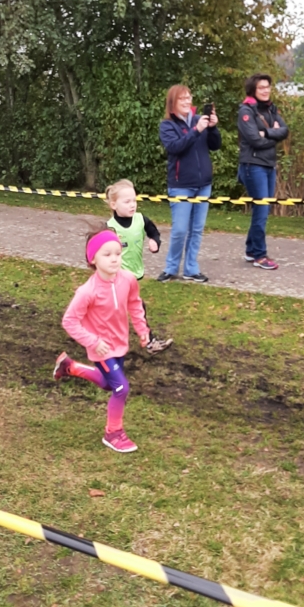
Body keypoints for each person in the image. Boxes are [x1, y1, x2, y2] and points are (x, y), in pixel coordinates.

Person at [54, 228, 150, 453]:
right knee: (121, 388)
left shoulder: (127, 279)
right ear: (93, 259)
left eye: (117, 253)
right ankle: (113, 433)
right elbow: (69, 321)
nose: (114, 258)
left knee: (109, 384)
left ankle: (71, 367)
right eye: (107, 254)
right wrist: (93, 342)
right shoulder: (87, 291)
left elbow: (135, 303)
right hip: (101, 349)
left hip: (120, 345)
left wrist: (142, 329)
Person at [157, 85, 220, 283]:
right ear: (173, 103)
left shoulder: (199, 119)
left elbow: (215, 145)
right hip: (181, 184)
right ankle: (171, 268)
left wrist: (212, 128)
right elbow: (175, 147)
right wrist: (196, 131)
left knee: (197, 229)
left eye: (188, 97)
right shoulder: (167, 125)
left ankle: (191, 269)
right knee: (180, 230)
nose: (186, 102)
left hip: (203, 184)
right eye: (181, 99)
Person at [105, 179, 173, 354]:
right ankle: (147, 341)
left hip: (134, 274)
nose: (132, 205)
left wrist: (155, 242)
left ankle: (101, 335)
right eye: (127, 201)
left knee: (130, 307)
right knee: (134, 306)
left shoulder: (141, 220)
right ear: (113, 205)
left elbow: (154, 233)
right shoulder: (109, 228)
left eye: (134, 200)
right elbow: (98, 251)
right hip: (116, 276)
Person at [237, 73, 289, 270]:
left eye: (268, 87)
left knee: (263, 209)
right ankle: (260, 255)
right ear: (253, 90)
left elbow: (284, 131)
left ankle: (251, 250)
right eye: (261, 87)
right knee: (261, 209)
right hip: (252, 165)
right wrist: (273, 137)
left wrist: (267, 132)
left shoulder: (271, 109)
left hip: (269, 164)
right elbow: (254, 140)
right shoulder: (246, 111)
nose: (266, 90)